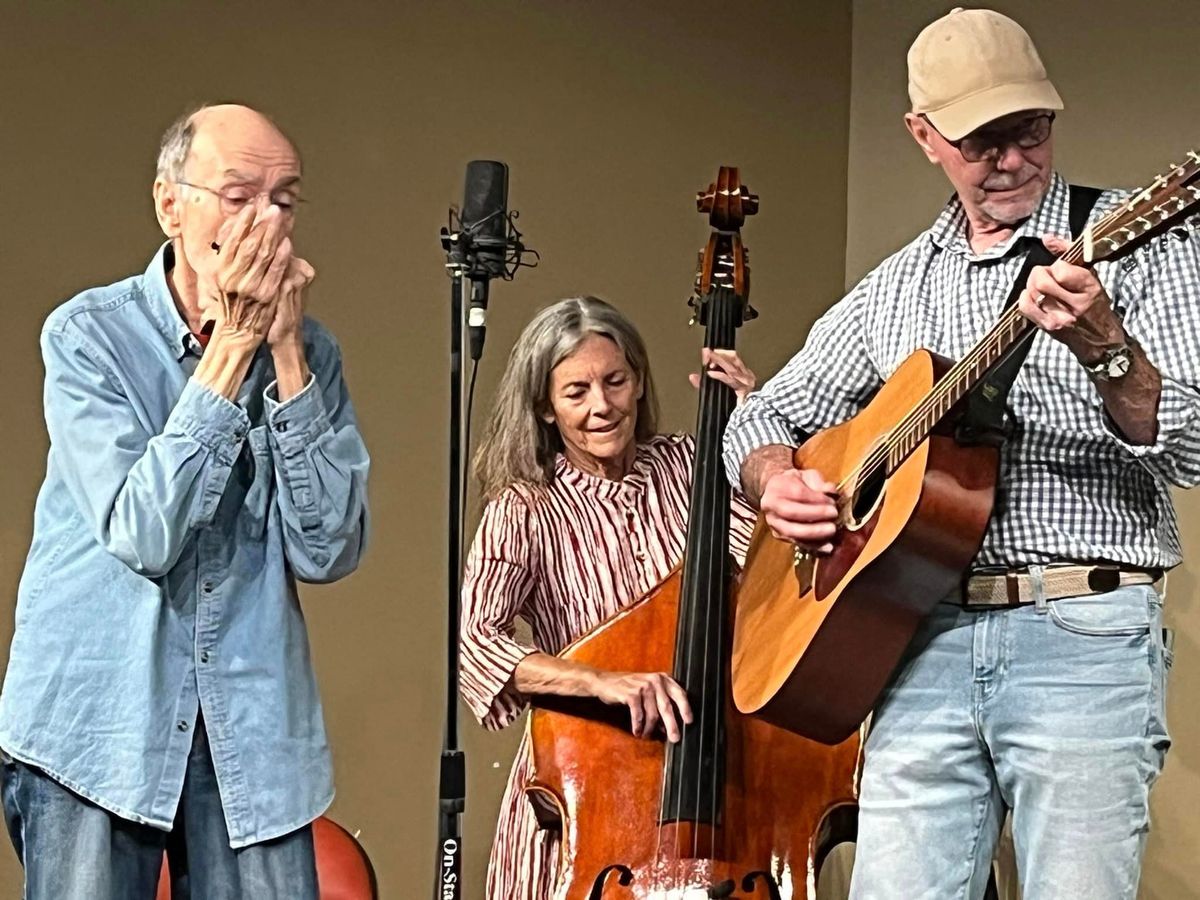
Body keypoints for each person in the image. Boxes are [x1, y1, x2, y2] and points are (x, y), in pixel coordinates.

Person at [723, 9, 1199, 900]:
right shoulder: (898, 285)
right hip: (915, 637)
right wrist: (776, 479)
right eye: (982, 141)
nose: (1011, 160)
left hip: (1081, 636)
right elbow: (763, 415)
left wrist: (1108, 349)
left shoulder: (1141, 241)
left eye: (1030, 131)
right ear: (924, 137)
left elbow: (1198, 443)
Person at [0, 104, 369, 899]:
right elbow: (145, 532)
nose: (266, 221)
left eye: (285, 200)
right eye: (239, 196)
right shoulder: (87, 336)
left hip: (252, 725)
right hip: (99, 719)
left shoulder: (313, 352)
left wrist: (288, 359)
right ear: (172, 205)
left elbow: (330, 547)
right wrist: (233, 350)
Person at [459, 296, 757, 898]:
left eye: (615, 381)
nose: (602, 406)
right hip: (584, 786)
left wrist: (758, 427)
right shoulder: (524, 506)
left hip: (710, 773)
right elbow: (475, 641)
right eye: (576, 392)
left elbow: (779, 562)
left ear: (639, 381)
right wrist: (601, 681)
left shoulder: (696, 464)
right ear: (545, 407)